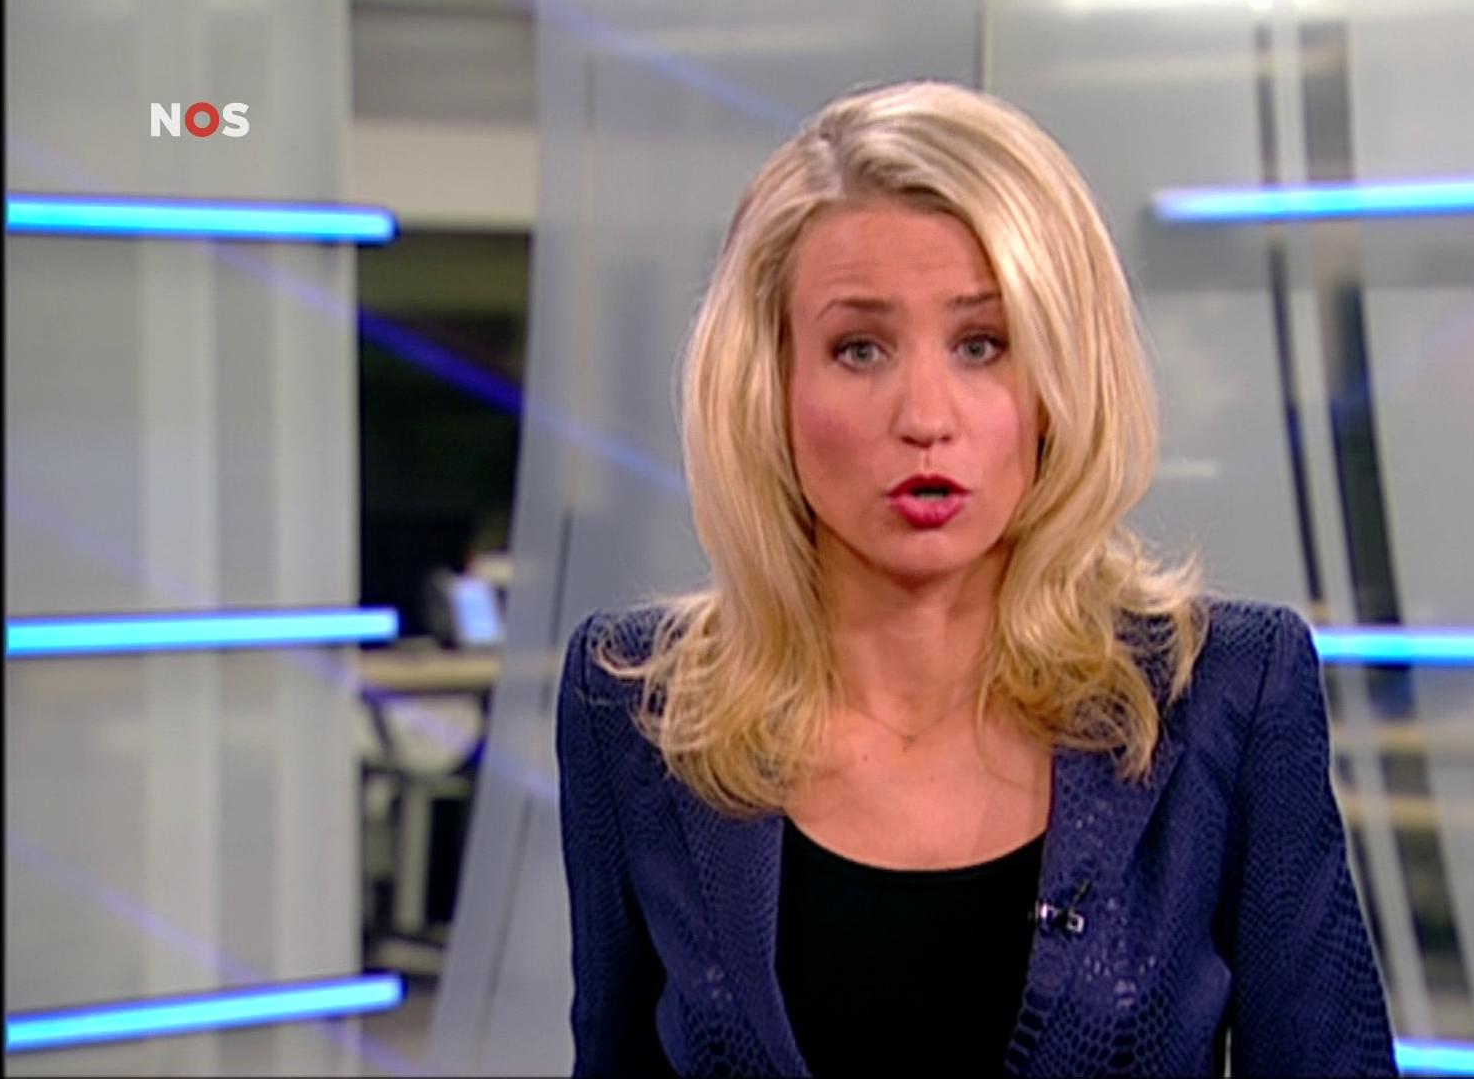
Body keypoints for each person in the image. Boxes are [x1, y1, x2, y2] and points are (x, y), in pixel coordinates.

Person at [557, 79, 1397, 1078]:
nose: (925, 416)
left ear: (1058, 382)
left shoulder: (1223, 694)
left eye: (982, 345)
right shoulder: (639, 709)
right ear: (769, 384)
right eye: (859, 348)